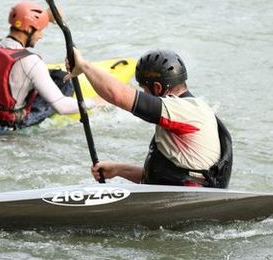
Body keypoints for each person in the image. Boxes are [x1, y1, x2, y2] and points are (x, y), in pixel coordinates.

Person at [67, 48, 233, 188]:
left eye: (144, 89)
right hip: (182, 196)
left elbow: (118, 95)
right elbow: (166, 177)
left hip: (190, 202)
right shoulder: (191, 109)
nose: (145, 95)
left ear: (157, 87)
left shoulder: (182, 111)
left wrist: (84, 67)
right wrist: (118, 170)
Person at [0, 1, 84, 129]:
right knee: (64, 83)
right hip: (7, 124)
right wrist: (95, 103)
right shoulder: (31, 62)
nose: (41, 36)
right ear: (29, 29)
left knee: (53, 75)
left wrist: (47, 16)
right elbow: (62, 107)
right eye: (40, 30)